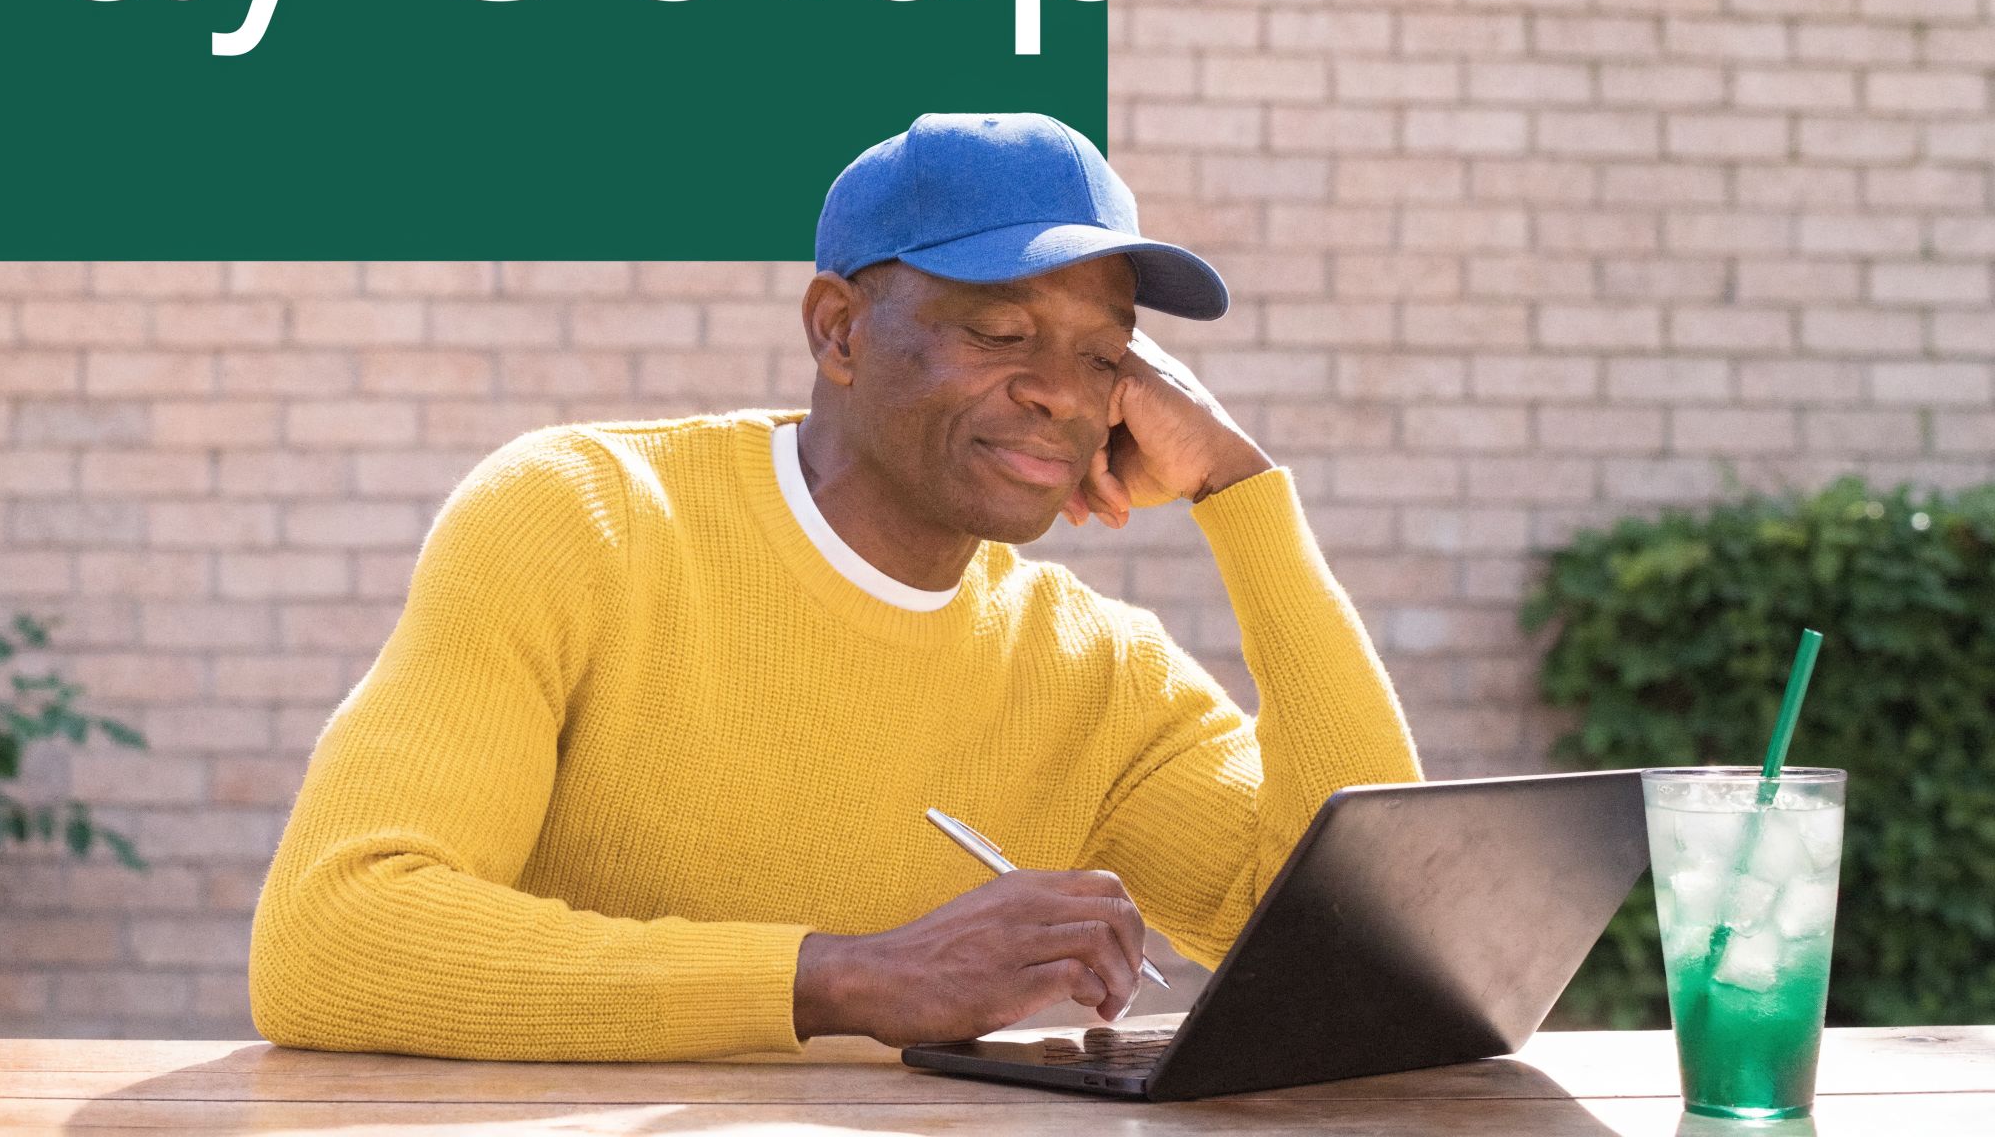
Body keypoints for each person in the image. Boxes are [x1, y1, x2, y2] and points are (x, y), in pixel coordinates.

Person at [245, 112, 1421, 1061]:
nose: (1063, 393)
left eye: (1105, 356)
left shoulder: (1098, 674)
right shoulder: (581, 518)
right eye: (1002, 332)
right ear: (840, 330)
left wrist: (1241, 492)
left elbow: (1367, 964)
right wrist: (849, 976)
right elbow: (337, 936)